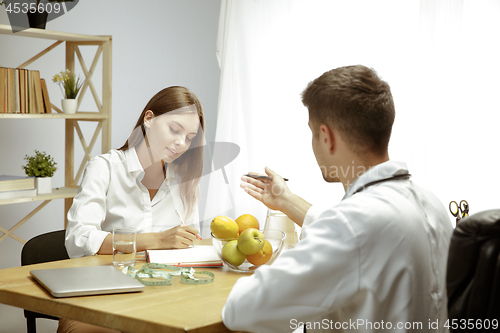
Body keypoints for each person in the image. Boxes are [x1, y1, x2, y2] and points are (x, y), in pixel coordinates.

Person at [222, 65, 453, 332]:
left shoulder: (354, 223)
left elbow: (244, 310)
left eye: (312, 132)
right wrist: (285, 200)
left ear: (326, 136)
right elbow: (364, 238)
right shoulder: (431, 204)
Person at [59, 86, 204, 333]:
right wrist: (157, 240)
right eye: (174, 129)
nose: (181, 143)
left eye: (190, 137)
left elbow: (190, 245)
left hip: (164, 294)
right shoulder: (105, 167)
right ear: (149, 119)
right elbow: (79, 238)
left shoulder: (184, 180)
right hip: (103, 294)